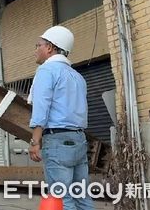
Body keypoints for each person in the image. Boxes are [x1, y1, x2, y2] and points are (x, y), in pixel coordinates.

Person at [28, 26, 93, 210]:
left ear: (50, 47)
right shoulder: (77, 76)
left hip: (57, 141)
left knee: (62, 199)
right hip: (79, 139)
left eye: (38, 45)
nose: (35, 50)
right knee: (82, 198)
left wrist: (35, 141)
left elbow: (41, 108)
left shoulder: (47, 71)